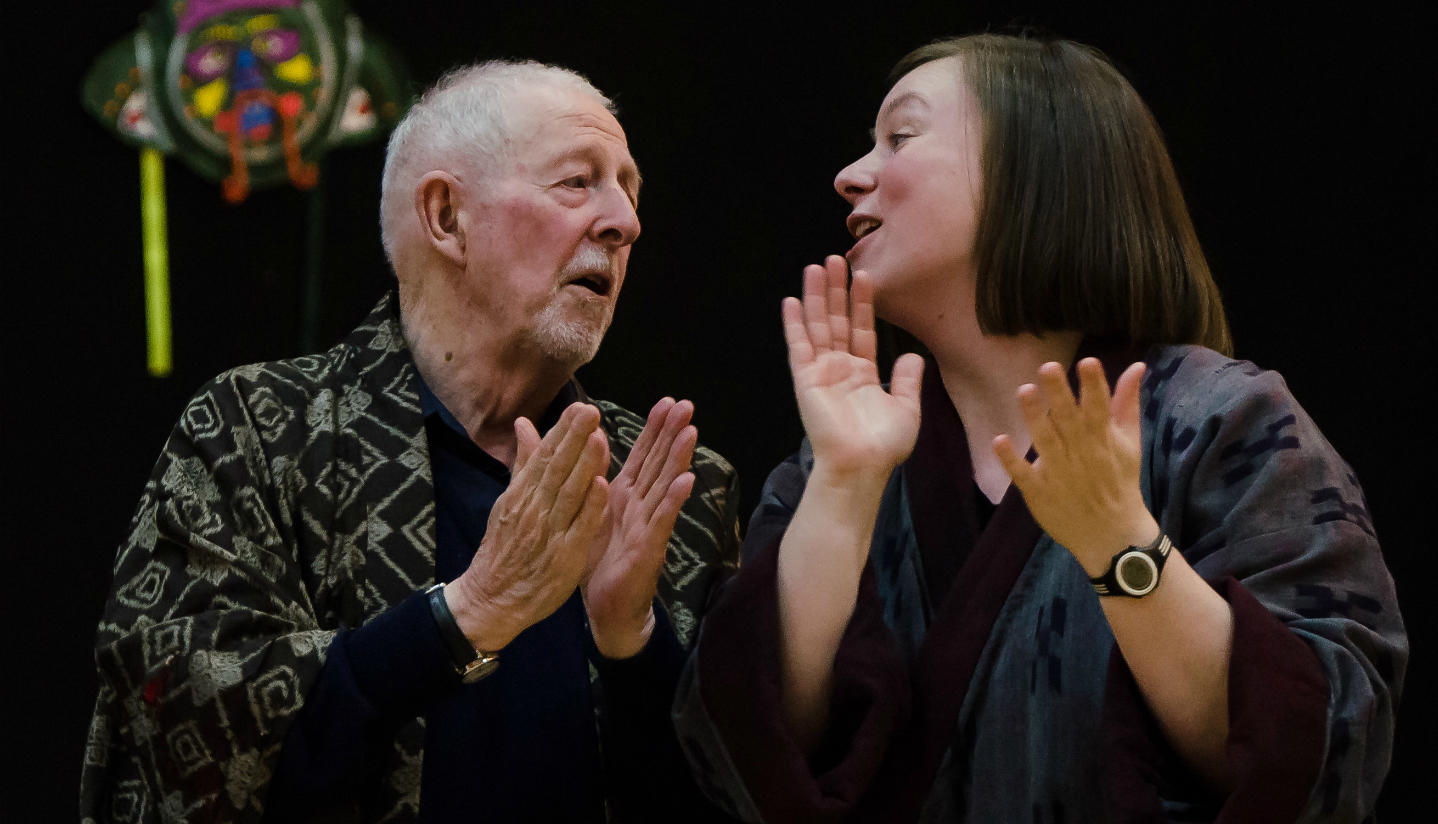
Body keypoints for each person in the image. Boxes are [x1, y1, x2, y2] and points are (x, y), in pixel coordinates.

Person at [675, 33, 1405, 823]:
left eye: (901, 137)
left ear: (1037, 167)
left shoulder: (1224, 421)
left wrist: (1120, 542)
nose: (850, 175)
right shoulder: (842, 454)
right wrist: (843, 489)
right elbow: (747, 752)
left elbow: (1320, 749)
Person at [81, 60, 741, 822]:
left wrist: (632, 640)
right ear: (446, 216)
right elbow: (176, 734)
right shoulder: (254, 431)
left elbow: (736, 798)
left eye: (629, 189)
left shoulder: (672, 489)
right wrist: (465, 615)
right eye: (578, 182)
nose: (625, 221)